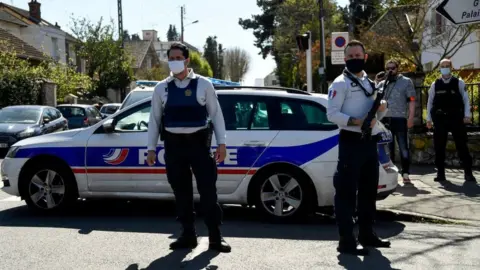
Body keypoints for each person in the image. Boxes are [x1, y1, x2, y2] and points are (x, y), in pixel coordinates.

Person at [146, 42, 231, 252]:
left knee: (208, 190)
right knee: (181, 192)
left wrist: (222, 143)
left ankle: (215, 237)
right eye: (171, 58)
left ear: (187, 60)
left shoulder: (204, 85)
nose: (174, 62)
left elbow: (216, 115)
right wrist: (150, 148)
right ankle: (188, 234)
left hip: (199, 144)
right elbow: (154, 120)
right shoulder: (161, 88)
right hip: (174, 146)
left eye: (178, 58)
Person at [327, 40, 391, 256]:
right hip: (351, 142)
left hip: (369, 142)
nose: (355, 59)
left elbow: (375, 113)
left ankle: (367, 234)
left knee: (368, 192)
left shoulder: (369, 82)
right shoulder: (339, 83)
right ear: (345, 59)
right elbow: (332, 114)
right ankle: (346, 241)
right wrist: (357, 121)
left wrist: (381, 109)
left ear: (365, 57)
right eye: (351, 56)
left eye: (358, 55)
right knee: (345, 194)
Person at [426, 59, 476, 183]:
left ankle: (468, 173)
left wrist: (467, 115)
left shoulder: (459, 82)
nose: (445, 68)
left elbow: (465, 100)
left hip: (456, 118)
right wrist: (429, 119)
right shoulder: (435, 84)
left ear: (451, 67)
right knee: (439, 147)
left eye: (447, 66)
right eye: (442, 66)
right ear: (439, 68)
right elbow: (430, 102)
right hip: (440, 119)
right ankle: (441, 174)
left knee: (462, 145)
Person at [380, 59, 416, 184]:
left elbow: (411, 100)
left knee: (403, 147)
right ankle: (391, 174)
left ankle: (405, 173)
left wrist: (410, 117)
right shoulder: (383, 84)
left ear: (397, 68)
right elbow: (374, 97)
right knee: (387, 148)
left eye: (393, 68)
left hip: (400, 118)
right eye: (388, 68)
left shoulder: (406, 82)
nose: (390, 70)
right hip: (385, 119)